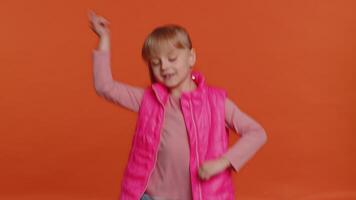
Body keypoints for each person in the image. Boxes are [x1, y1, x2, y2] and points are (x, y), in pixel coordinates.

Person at [88, 10, 267, 200]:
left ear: (191, 58)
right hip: (151, 196)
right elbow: (104, 87)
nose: (164, 67)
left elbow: (257, 132)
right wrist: (104, 38)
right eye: (156, 63)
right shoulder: (148, 100)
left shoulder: (216, 102)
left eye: (172, 59)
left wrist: (223, 162)